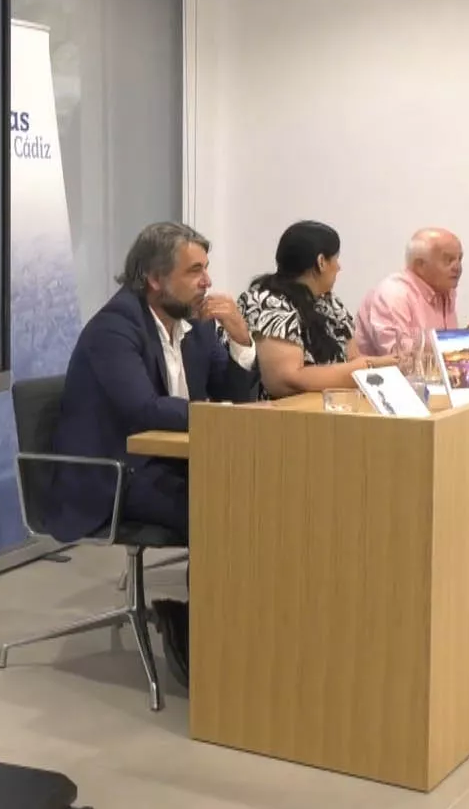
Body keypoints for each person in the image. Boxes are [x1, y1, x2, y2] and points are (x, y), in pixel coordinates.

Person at [50, 222, 261, 686]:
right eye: (194, 271)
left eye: (206, 269)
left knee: (258, 497)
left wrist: (243, 342)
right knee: (218, 510)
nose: (207, 281)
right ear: (154, 278)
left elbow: (235, 397)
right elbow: (142, 407)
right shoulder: (115, 327)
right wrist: (215, 413)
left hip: (167, 462)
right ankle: (198, 637)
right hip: (114, 474)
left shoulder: (196, 326)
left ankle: (247, 636)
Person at [237, 220, 395, 400]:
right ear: (321, 262)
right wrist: (365, 368)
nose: (339, 267)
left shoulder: (329, 301)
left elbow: (352, 359)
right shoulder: (269, 303)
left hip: (336, 408)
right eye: (335, 259)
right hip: (287, 416)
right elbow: (286, 380)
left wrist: (388, 364)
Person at [354, 228, 469, 357]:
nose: (457, 267)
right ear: (420, 265)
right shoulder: (394, 294)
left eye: (460, 259)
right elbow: (401, 357)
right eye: (449, 260)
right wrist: (463, 340)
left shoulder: (446, 290)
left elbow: (443, 355)